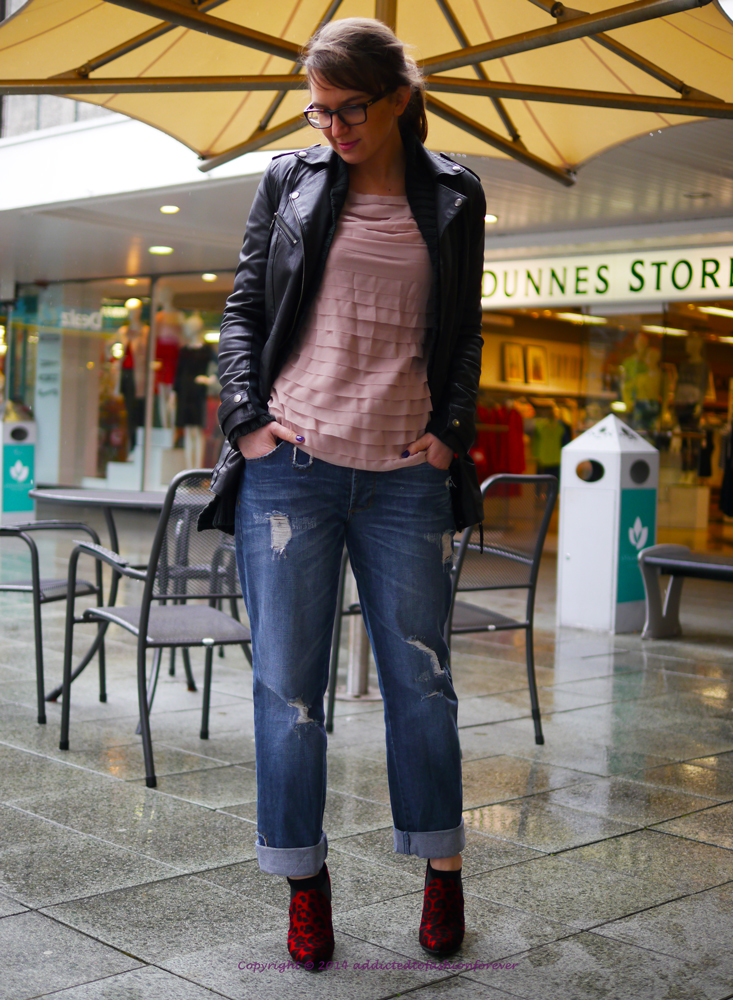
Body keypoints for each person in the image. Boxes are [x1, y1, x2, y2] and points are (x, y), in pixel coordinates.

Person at [200, 17, 486, 969]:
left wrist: (449, 433)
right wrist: (246, 421)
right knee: (288, 690)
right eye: (317, 111)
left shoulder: (454, 193)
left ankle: (441, 869)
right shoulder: (289, 180)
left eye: (348, 108)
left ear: (399, 96)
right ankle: (303, 883)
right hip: (292, 469)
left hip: (405, 476)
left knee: (423, 684)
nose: (331, 127)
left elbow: (464, 329)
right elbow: (244, 308)